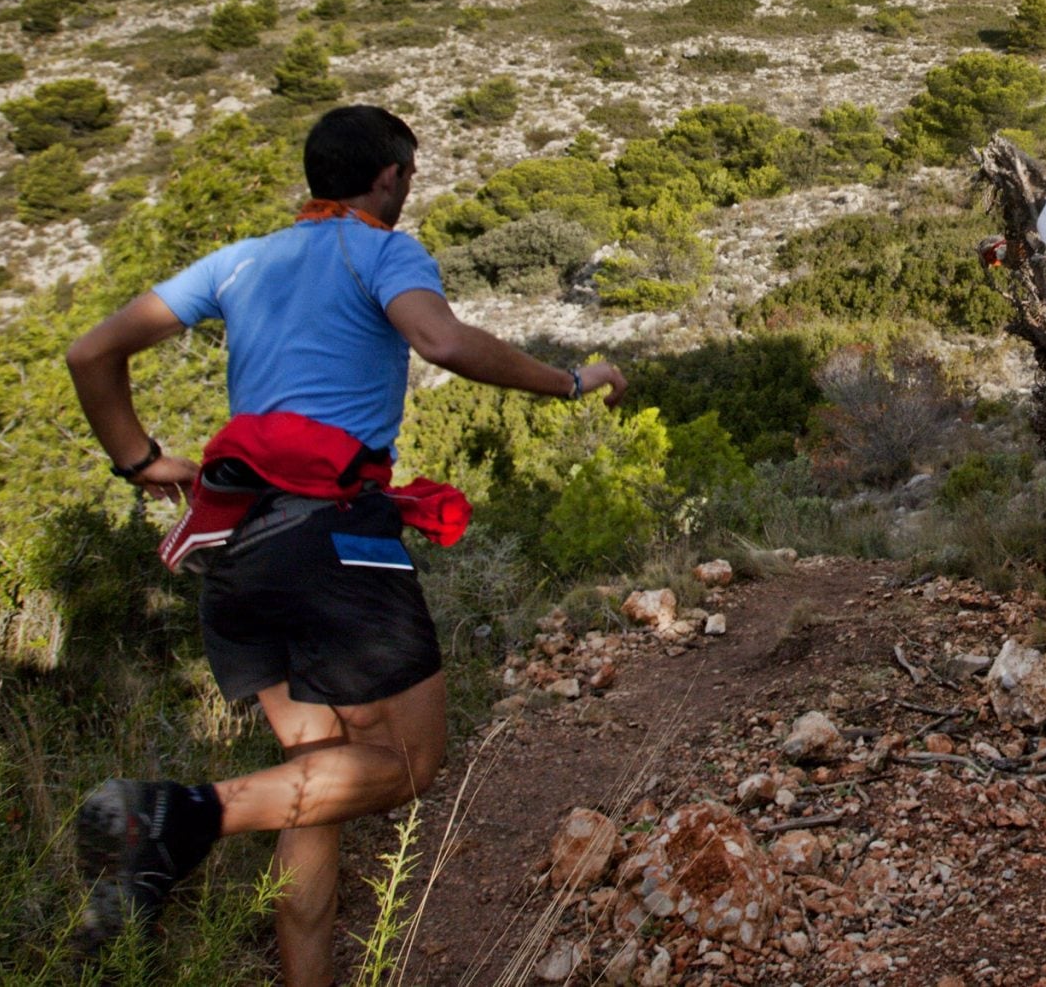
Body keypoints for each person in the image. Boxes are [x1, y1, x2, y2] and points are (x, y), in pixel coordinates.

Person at [63, 104, 625, 984]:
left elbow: (91, 351)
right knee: (406, 761)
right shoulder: (382, 248)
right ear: (391, 176)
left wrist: (139, 462)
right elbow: (440, 339)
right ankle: (176, 817)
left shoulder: (241, 259)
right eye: (409, 174)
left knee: (318, 772)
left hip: (236, 539)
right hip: (332, 537)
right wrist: (569, 379)